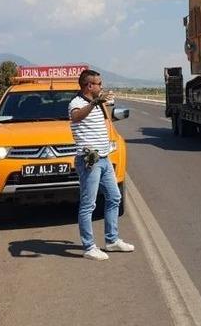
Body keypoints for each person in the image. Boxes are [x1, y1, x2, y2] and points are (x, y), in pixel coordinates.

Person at [69, 69, 134, 260]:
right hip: (89, 161)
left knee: (114, 197)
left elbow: (106, 120)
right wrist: (94, 103)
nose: (101, 87)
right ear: (89, 85)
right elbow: (76, 116)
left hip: (104, 159)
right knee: (88, 204)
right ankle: (89, 247)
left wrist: (102, 104)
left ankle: (112, 240)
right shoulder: (77, 103)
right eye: (99, 84)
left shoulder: (98, 105)